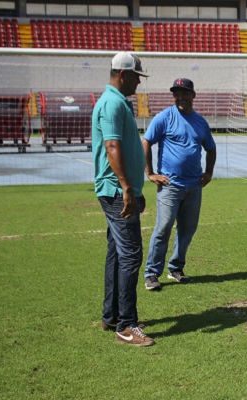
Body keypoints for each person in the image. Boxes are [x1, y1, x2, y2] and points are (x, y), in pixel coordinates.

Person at [92, 52, 154, 346]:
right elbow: (112, 146)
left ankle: (111, 315)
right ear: (122, 75)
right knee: (130, 254)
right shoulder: (113, 103)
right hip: (117, 192)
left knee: (117, 251)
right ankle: (127, 326)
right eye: (136, 78)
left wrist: (135, 189)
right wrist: (128, 188)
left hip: (122, 190)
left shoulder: (119, 102)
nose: (138, 84)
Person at [143, 78, 217, 291]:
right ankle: (151, 273)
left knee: (187, 229)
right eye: (176, 93)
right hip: (170, 185)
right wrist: (150, 173)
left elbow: (211, 148)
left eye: (184, 93)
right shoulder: (164, 117)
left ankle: (175, 267)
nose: (180, 97)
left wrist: (209, 172)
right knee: (163, 228)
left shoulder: (200, 122)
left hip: (194, 186)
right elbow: (146, 141)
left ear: (193, 95)